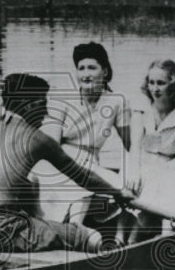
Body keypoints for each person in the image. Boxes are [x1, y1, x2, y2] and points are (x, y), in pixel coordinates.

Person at [0, 73, 136, 255]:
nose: (46, 113)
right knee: (90, 236)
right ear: (29, 105)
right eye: (43, 104)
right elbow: (83, 178)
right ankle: (100, 268)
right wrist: (118, 192)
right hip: (2, 231)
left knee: (30, 194)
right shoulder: (37, 139)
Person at [41, 42, 132, 228]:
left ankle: (120, 237)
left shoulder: (116, 101)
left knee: (128, 188)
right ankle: (76, 230)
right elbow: (51, 148)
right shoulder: (62, 98)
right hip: (59, 161)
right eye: (81, 68)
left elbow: (129, 144)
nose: (85, 74)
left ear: (105, 72)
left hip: (91, 162)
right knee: (81, 184)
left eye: (92, 67)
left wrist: (132, 172)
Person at [125, 59, 175, 241]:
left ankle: (161, 234)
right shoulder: (141, 108)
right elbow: (135, 144)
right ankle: (120, 237)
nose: (155, 89)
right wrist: (134, 171)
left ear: (173, 83)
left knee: (164, 182)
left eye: (161, 83)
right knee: (130, 182)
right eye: (151, 83)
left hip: (171, 163)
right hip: (144, 160)